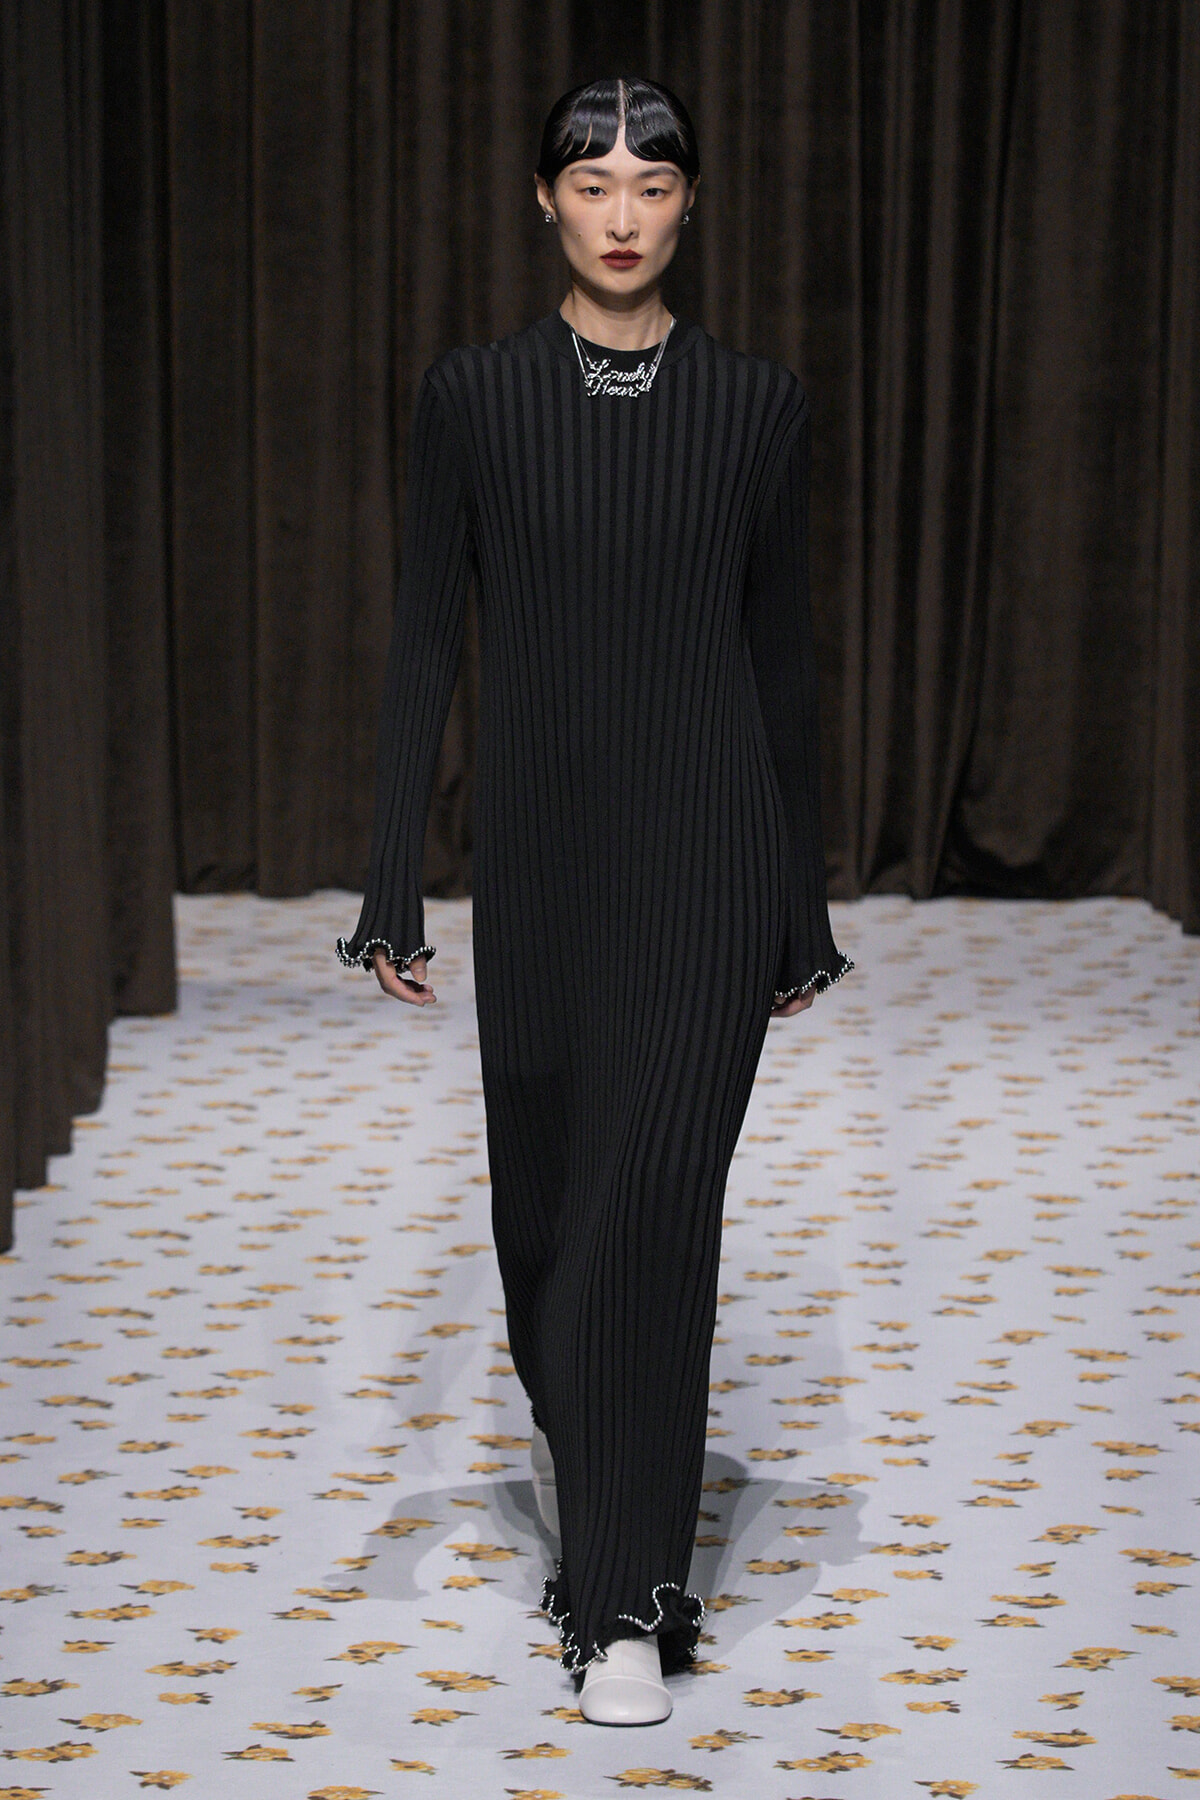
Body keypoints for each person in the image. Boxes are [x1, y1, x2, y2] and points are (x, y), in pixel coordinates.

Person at [335, 75, 854, 1726]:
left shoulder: (757, 405)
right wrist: (392, 878)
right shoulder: (475, 396)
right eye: (591, 180)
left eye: (653, 182)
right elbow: (429, 632)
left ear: (691, 204)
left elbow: (783, 671)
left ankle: (625, 1601)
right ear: (545, 201)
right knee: (551, 1229)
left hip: (710, 856)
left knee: (650, 1213)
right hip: (545, 865)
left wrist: (799, 905)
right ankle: (599, 1508)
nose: (622, 212)